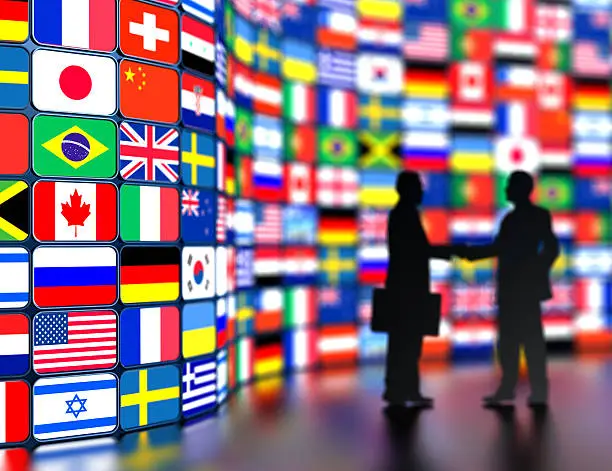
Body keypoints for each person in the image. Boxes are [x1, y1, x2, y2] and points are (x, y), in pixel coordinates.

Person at [457, 171, 559, 407]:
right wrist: (538, 269)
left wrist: (468, 253)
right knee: (522, 340)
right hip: (524, 288)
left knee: (514, 341)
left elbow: (499, 249)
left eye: (509, 186)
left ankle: (511, 388)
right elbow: (550, 248)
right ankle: (535, 390)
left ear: (520, 189)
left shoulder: (512, 220)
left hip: (515, 288)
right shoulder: (534, 216)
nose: (505, 190)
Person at [383, 170, 461, 409]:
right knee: (404, 341)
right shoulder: (404, 215)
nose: (421, 191)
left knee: (408, 341)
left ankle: (406, 390)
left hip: (406, 286)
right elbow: (416, 250)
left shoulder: (404, 214)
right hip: (406, 288)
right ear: (405, 189)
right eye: (417, 187)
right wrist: (447, 251)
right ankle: (399, 391)